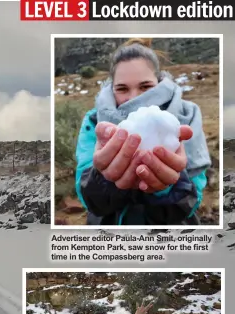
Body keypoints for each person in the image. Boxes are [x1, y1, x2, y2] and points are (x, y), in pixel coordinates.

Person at [74, 38, 211, 225]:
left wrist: (167, 188)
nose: (134, 98)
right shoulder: (96, 123)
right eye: (122, 89)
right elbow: (88, 199)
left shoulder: (186, 117)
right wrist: (103, 179)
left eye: (146, 87)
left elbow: (193, 200)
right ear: (111, 89)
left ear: (160, 83)